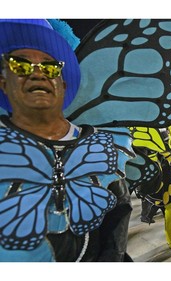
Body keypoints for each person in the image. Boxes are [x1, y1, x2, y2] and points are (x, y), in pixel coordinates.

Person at [0, 19, 133, 261]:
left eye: (50, 67)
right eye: (20, 65)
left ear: (62, 83)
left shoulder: (96, 144)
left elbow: (116, 217)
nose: (38, 75)